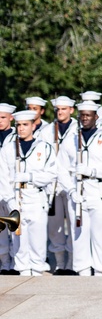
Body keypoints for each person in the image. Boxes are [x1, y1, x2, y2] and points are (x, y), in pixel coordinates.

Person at [0, 110, 57, 275]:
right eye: (18, 125)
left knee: (37, 237)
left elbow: (52, 174)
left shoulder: (44, 147)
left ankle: (37, 268)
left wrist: (31, 177)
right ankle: (23, 269)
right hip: (15, 196)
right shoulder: (8, 149)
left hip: (35, 196)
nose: (21, 128)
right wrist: (10, 200)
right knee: (19, 239)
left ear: (33, 126)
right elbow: (3, 177)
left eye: (25, 125)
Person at [67, 101, 102, 276]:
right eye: (82, 115)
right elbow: (61, 169)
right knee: (80, 232)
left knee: (100, 233)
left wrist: (92, 171)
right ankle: (82, 269)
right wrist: (71, 190)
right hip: (78, 192)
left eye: (88, 115)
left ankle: (100, 269)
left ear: (96, 117)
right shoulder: (71, 139)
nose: (85, 118)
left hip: (99, 190)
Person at [41, 96, 77, 274]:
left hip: (70, 180)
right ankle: (60, 263)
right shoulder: (47, 131)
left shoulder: (78, 128)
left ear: (71, 110)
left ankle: (71, 263)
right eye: (58, 109)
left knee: (73, 223)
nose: (60, 112)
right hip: (53, 183)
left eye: (64, 109)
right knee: (55, 226)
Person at [0, 103, 15, 274]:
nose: (0, 121)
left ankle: (15, 263)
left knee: (14, 227)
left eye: (3, 117)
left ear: (11, 118)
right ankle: (4, 263)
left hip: (11, 189)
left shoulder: (15, 138)